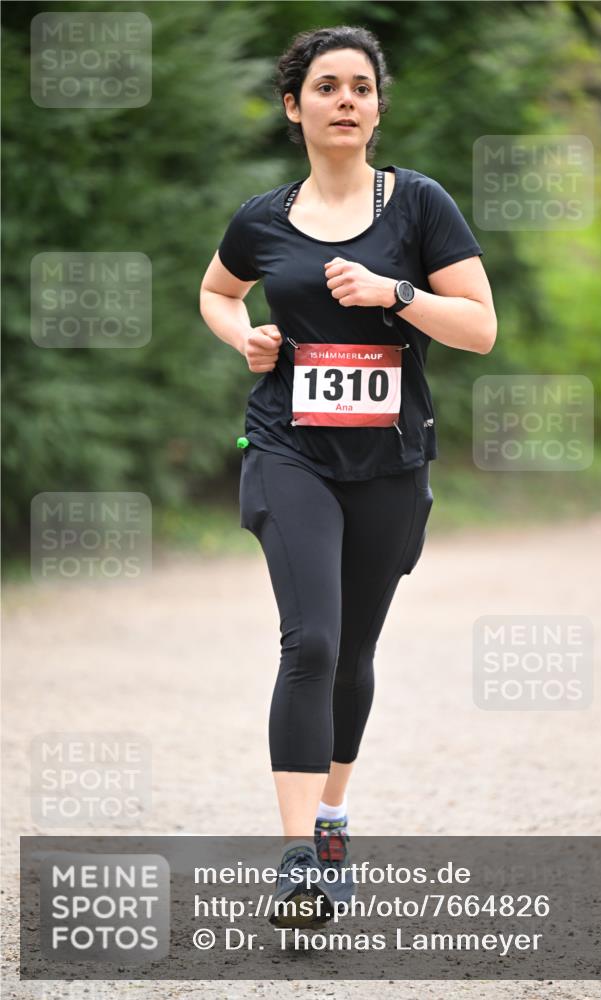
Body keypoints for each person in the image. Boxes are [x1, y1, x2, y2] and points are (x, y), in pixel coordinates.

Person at [199, 25, 496, 927]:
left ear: (376, 107)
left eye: (360, 88)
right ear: (294, 106)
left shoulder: (419, 207)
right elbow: (217, 291)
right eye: (325, 87)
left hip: (390, 462)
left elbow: (479, 328)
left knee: (354, 654)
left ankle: (331, 826)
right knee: (312, 642)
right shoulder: (260, 218)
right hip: (288, 447)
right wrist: (242, 336)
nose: (344, 102)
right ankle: (297, 861)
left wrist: (394, 294)